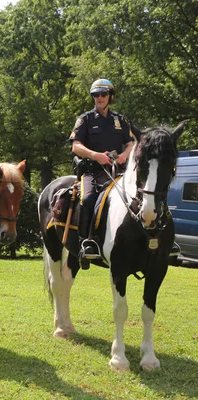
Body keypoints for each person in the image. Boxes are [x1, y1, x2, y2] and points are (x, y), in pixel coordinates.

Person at [69, 79, 134, 268]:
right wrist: (96, 155)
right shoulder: (85, 119)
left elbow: (131, 142)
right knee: (88, 199)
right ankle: (86, 242)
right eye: (96, 95)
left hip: (119, 171)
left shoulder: (121, 120)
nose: (99, 98)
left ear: (110, 97)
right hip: (93, 172)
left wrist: (124, 154)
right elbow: (75, 146)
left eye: (103, 94)